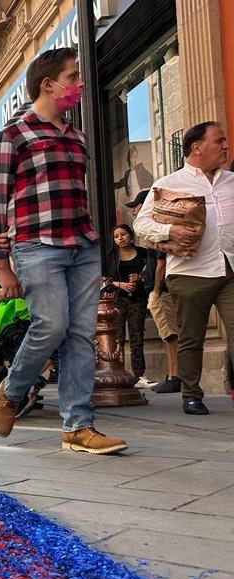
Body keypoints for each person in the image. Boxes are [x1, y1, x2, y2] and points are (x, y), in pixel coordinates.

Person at [0, 47, 126, 454]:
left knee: (81, 336)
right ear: (49, 85)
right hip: (36, 247)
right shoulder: (11, 136)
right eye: (73, 77)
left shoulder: (78, 136)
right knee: (51, 326)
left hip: (82, 245)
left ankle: (78, 427)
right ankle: (12, 392)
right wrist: (2, 266)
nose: (80, 84)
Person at [134, 122, 234, 415]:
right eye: (220, 141)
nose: (226, 146)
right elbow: (141, 223)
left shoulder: (230, 181)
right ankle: (191, 393)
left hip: (229, 268)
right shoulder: (169, 182)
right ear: (197, 148)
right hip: (190, 271)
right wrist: (170, 232)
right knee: (192, 335)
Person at [127, 189, 180, 394]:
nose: (134, 210)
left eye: (137, 206)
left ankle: (174, 376)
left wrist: (156, 291)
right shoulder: (153, 228)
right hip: (160, 288)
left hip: (162, 290)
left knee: (169, 334)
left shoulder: (158, 227)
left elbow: (160, 263)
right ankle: (172, 375)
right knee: (168, 334)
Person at [109, 224, 151, 388]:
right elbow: (103, 279)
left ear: (131, 236)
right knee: (118, 338)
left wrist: (140, 279)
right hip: (118, 300)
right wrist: (120, 284)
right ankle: (118, 373)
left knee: (136, 338)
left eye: (123, 234)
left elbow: (152, 272)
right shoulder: (111, 255)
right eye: (116, 236)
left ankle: (139, 376)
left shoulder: (142, 253)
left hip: (137, 299)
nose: (120, 238)